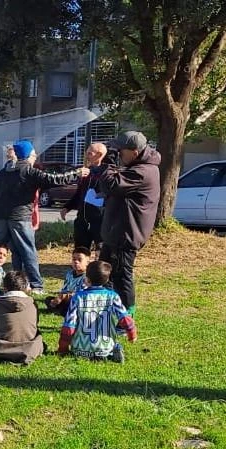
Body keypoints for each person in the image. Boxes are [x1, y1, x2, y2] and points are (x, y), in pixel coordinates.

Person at [0, 140, 89, 293]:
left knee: (10, 250)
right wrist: (77, 173)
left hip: (0, 218)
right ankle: (36, 285)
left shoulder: (3, 172)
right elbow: (54, 179)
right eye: (34, 155)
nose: (35, 158)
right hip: (20, 218)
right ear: (27, 156)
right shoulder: (28, 171)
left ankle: (8, 281)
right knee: (28, 251)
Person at [97, 131, 161, 316]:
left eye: (120, 150)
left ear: (134, 151)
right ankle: (106, 311)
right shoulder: (138, 166)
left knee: (122, 275)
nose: (118, 153)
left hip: (126, 234)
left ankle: (127, 316)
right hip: (116, 232)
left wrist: (109, 163)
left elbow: (110, 184)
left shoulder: (143, 172)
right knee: (105, 273)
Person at [58, 260, 137, 363]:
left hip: (80, 350)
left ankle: (99, 350)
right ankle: (113, 351)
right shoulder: (112, 296)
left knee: (77, 340)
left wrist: (62, 349)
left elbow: (69, 326)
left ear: (87, 279)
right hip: (105, 348)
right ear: (107, 279)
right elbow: (124, 318)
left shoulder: (78, 297)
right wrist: (132, 334)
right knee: (113, 345)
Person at [0, 271, 45, 365]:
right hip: (30, 349)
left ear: (5, 287)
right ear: (26, 286)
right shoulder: (33, 304)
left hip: (0, 349)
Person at [62, 143, 108, 253]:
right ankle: (80, 269)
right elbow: (79, 193)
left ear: (99, 154)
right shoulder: (86, 172)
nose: (86, 156)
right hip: (82, 218)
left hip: (99, 219)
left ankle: (98, 269)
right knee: (80, 249)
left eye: (89, 153)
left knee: (101, 251)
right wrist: (67, 207)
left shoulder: (108, 174)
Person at [46, 246, 91, 315]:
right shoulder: (69, 273)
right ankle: (59, 309)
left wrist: (64, 296)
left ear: (87, 262)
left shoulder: (87, 276)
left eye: (79, 260)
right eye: (74, 259)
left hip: (77, 301)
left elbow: (82, 294)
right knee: (48, 299)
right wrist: (58, 298)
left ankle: (61, 310)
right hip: (65, 298)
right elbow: (65, 288)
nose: (76, 262)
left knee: (71, 304)